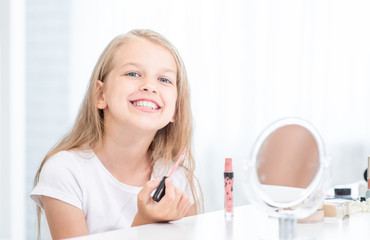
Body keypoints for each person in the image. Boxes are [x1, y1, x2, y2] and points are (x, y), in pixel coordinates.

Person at [30, 29, 202, 240]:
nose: (149, 86)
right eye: (133, 74)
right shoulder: (65, 172)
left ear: (175, 110)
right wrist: (143, 225)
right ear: (100, 94)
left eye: (164, 80)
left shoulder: (177, 179)